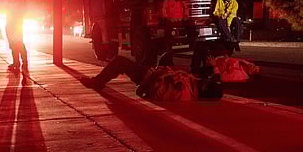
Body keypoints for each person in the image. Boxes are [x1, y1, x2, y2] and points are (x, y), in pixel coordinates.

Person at [80, 53, 223, 101]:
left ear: (204, 86)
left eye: (206, 80)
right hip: (156, 71)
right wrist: (214, 66)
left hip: (147, 77)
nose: (205, 78)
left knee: (119, 61)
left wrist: (153, 76)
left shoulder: (182, 90)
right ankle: (99, 81)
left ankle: (97, 83)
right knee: (165, 54)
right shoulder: (196, 85)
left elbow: (157, 92)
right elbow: (216, 79)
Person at [6, 0, 28, 73]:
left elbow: (9, 10)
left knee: (14, 42)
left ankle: (17, 62)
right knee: (18, 42)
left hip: (13, 22)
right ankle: (22, 62)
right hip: (18, 22)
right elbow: (25, 9)